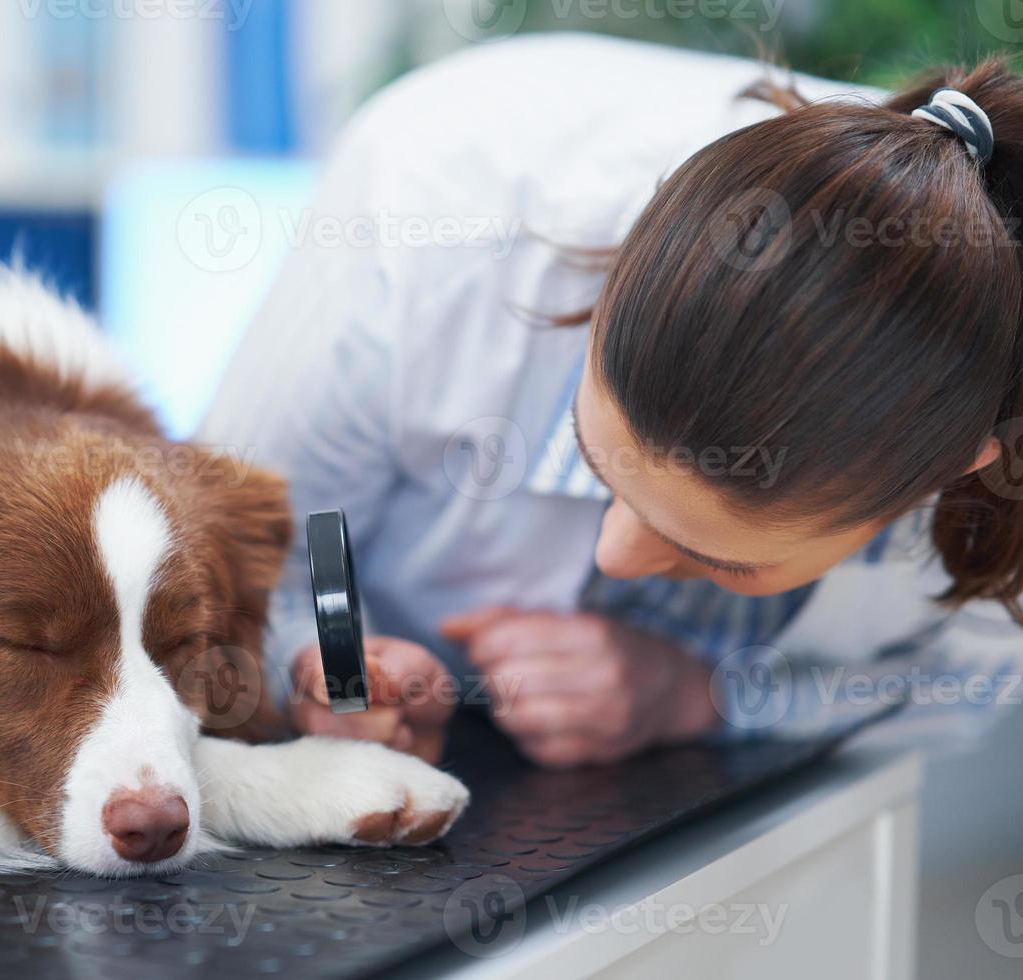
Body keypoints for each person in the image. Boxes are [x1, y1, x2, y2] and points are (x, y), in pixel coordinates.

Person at [198, 33, 1023, 768]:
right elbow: (225, 543)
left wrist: (705, 697)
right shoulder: (432, 206)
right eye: (598, 461)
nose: (615, 553)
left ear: (948, 473)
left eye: (722, 559)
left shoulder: (981, 394)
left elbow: (981, 675)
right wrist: (329, 670)